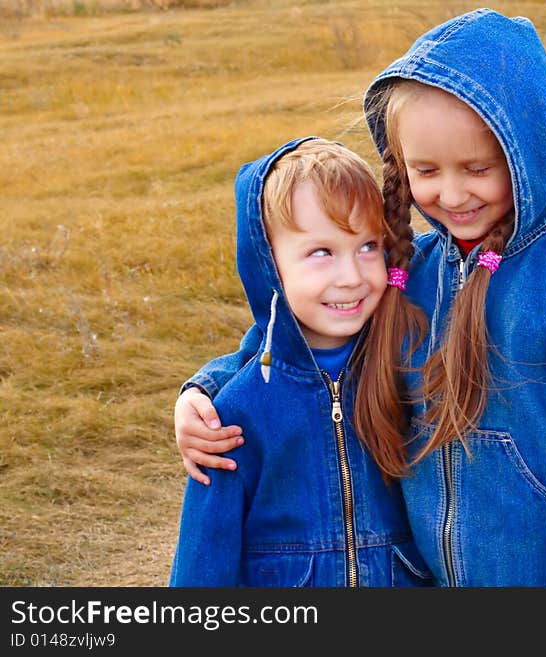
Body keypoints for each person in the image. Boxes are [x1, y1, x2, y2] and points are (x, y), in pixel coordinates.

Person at [174, 9, 546, 586]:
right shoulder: (408, 274)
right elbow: (308, 344)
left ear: (524, 152)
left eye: (477, 168)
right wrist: (203, 392)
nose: (452, 195)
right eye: (426, 169)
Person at [169, 137, 432, 587]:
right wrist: (203, 388)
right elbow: (203, 558)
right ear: (269, 265)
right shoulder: (232, 414)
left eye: (368, 246)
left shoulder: (408, 365)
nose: (351, 277)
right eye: (321, 252)